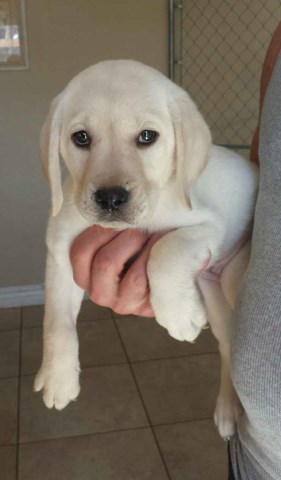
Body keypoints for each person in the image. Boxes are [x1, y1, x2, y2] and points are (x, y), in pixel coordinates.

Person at [70, 23, 281, 480]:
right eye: (83, 139)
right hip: (258, 454)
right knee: (229, 322)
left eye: (145, 137)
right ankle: (230, 383)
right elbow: (266, 162)